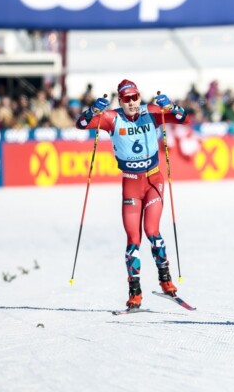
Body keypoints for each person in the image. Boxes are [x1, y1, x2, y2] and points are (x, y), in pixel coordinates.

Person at [75, 79, 190, 310]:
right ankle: (135, 293)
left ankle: (165, 280)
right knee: (133, 241)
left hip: (154, 180)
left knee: (152, 232)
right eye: (126, 99)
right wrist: (93, 110)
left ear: (139, 97)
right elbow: (81, 124)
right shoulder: (112, 118)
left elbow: (182, 118)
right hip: (131, 184)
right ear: (120, 101)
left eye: (135, 97)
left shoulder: (151, 112)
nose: (132, 103)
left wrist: (171, 106)